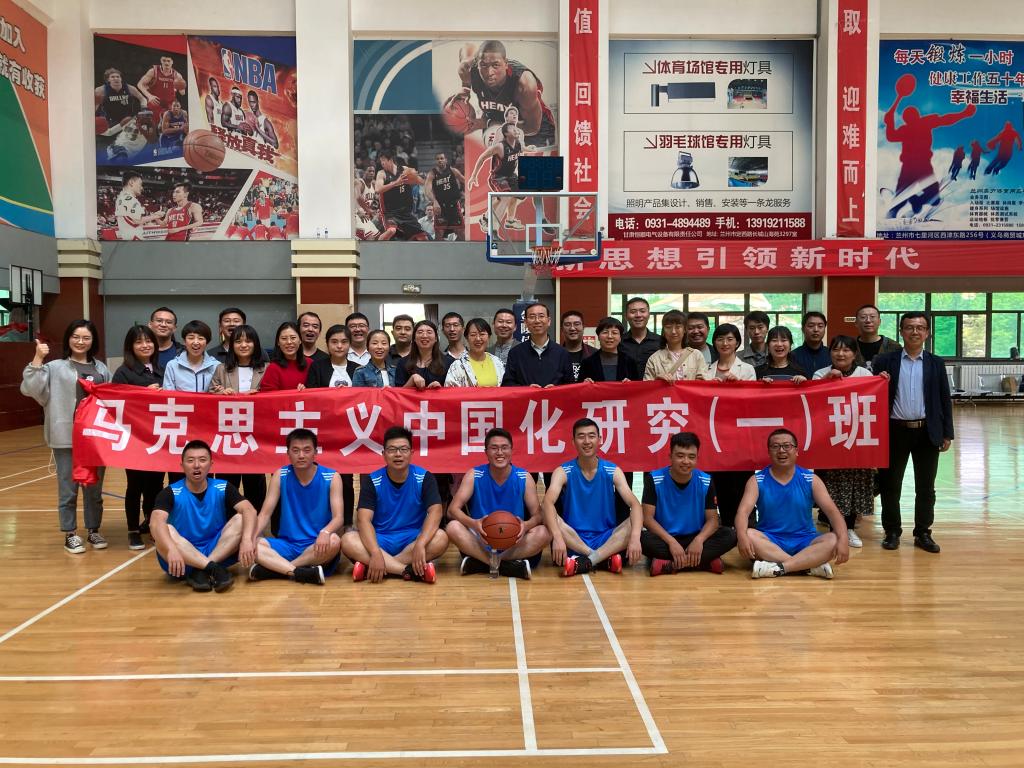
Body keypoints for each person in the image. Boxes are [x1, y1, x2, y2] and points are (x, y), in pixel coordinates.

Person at [22, 320, 112, 554]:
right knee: (68, 489)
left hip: (95, 439)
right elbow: (31, 389)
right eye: (76, 337)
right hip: (66, 437)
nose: (80, 342)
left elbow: (112, 399)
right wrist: (38, 359)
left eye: (86, 338)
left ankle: (93, 529)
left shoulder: (102, 369)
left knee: (94, 489)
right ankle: (70, 534)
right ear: (68, 339)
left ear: (93, 341)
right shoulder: (55, 367)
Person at [872, 312, 954, 553]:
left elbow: (944, 399)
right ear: (901, 331)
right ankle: (892, 531)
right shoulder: (884, 361)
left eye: (920, 328)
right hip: (894, 431)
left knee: (926, 487)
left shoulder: (936, 363)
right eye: (909, 327)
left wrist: (947, 433)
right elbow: (873, 395)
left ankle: (923, 532)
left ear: (927, 333)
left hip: (927, 432)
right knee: (890, 485)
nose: (915, 332)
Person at [735, 429, 850, 579]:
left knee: (833, 539)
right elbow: (743, 512)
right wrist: (741, 537)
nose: (781, 450)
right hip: (771, 541)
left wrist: (844, 540)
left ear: (796, 451)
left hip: (805, 540)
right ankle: (807, 565)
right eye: (775, 446)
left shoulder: (811, 479)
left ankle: (780, 568)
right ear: (768, 452)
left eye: (787, 446)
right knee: (749, 534)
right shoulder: (757, 480)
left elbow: (833, 513)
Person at [342, 426, 450, 583]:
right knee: (348, 540)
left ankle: (376, 568)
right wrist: (375, 552)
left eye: (403, 449)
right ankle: (405, 571)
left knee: (441, 538)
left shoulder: (424, 477)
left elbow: (436, 511)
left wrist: (421, 543)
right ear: (383, 454)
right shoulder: (372, 480)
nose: (398, 454)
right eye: (392, 450)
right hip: (380, 539)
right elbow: (363, 520)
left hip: (412, 539)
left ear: (411, 453)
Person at [150, 440, 256, 593]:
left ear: (211, 464)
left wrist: (246, 540)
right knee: (166, 529)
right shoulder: (170, 492)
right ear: (182, 465)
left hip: (217, 551)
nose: (196, 465)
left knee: (241, 519)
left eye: (202, 460)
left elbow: (249, 510)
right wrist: (171, 549)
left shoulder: (222, 487)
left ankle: (202, 569)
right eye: (190, 460)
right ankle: (213, 568)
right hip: (181, 556)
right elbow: (155, 523)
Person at [446, 428, 551, 579]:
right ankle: (506, 566)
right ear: (486, 452)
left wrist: (526, 525)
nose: (499, 452)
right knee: (452, 527)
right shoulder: (474, 475)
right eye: (494, 448)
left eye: (504, 447)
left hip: (514, 541)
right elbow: (452, 510)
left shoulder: (523, 476)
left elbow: (538, 515)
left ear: (511, 451)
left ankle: (486, 563)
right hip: (481, 539)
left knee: (545, 532)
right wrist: (473, 523)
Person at [543, 418, 643, 576]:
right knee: (548, 515)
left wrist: (636, 538)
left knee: (634, 523)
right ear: (573, 441)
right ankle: (600, 559)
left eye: (591, 436)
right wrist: (557, 537)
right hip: (573, 539)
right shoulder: (563, 471)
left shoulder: (612, 470)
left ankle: (586, 561)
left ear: (600, 440)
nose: (587, 441)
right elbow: (547, 503)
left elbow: (635, 504)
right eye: (581, 436)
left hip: (606, 539)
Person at [249, 429, 343, 585]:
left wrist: (325, 532)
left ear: (315, 452)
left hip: (316, 545)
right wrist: (249, 539)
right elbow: (265, 514)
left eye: (307, 450)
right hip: (287, 544)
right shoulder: (280, 475)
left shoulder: (332, 477)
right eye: (295, 450)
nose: (301, 455)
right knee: (255, 544)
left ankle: (278, 569)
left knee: (334, 541)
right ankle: (300, 572)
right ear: (288, 453)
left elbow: (338, 518)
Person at [641, 432, 738, 575]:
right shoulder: (654, 479)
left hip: (695, 538)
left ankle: (671, 564)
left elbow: (712, 520)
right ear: (670, 456)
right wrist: (671, 542)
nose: (686, 461)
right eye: (680, 456)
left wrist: (699, 540)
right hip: (665, 539)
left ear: (697, 458)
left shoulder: (706, 481)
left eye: (691, 457)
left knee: (730, 535)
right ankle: (703, 562)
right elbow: (647, 519)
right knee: (639, 538)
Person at [812, 335, 875, 548]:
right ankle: (835, 530)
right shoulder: (820, 373)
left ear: (854, 354)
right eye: (836, 350)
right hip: (830, 438)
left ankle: (848, 528)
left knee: (855, 483)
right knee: (832, 485)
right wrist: (827, 380)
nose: (841, 354)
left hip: (857, 437)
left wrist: (882, 380)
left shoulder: (864, 374)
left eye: (846, 350)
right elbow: (812, 400)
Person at [883, 77, 974, 218]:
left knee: (919, 198)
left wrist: (889, 123)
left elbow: (891, 136)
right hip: (915, 166)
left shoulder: (911, 127)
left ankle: (913, 201)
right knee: (928, 198)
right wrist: (964, 114)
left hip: (917, 166)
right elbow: (945, 119)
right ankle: (910, 203)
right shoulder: (920, 124)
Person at [698, 323, 756, 529]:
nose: (725, 343)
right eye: (720, 339)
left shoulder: (747, 369)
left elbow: (753, 402)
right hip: (714, 434)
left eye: (730, 339)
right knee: (719, 481)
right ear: (714, 342)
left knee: (742, 479)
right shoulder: (706, 370)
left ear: (737, 342)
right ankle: (725, 524)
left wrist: (738, 384)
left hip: (740, 434)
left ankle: (746, 525)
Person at [112, 325, 164, 550]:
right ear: (130, 347)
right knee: (135, 485)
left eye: (149, 341)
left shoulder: (162, 370)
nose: (145, 345)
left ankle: (151, 524)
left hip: (159, 438)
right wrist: (142, 394)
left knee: (155, 485)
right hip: (134, 439)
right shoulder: (123, 372)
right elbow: (115, 402)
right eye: (139, 342)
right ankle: (133, 529)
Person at [208, 325, 269, 512]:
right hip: (229, 435)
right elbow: (209, 396)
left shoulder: (267, 368)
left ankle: (255, 521)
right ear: (231, 345)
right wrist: (221, 393)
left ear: (255, 344)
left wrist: (259, 394)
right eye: (238, 341)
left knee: (255, 482)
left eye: (248, 341)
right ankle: (227, 521)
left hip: (255, 435)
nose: (243, 345)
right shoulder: (221, 369)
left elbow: (274, 395)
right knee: (227, 481)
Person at [456, 40, 556, 148]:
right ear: (477, 65)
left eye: (495, 65)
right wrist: (465, 90)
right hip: (496, 122)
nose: (489, 73)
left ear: (506, 64)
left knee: (530, 160)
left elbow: (532, 128)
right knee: (496, 155)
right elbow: (465, 62)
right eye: (484, 65)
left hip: (533, 132)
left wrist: (488, 123)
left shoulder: (524, 84)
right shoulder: (468, 70)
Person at [501, 302, 573, 387]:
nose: (537, 320)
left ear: (549, 321)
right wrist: (526, 389)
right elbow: (507, 384)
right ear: (525, 322)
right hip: (527, 396)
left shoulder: (562, 353)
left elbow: (570, 386)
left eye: (541, 316)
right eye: (532, 317)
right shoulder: (515, 353)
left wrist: (556, 390)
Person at [376, 149, 428, 241]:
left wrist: (419, 179)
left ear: (390, 159)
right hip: (390, 213)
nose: (382, 163)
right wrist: (396, 183)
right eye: (381, 161)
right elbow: (378, 190)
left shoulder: (405, 170)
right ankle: (376, 248)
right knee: (391, 231)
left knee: (423, 238)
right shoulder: (381, 174)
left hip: (406, 213)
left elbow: (422, 182)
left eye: (383, 160)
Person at [643, 310, 704, 382]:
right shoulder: (654, 359)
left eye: (678, 327)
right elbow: (646, 386)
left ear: (685, 329)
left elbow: (704, 385)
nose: (673, 331)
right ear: (663, 330)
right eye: (668, 327)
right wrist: (657, 381)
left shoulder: (696, 355)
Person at [445, 318, 505, 387]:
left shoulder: (498, 362)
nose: (478, 339)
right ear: (467, 338)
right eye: (473, 335)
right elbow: (450, 391)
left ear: (489, 337)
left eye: (482, 334)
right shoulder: (458, 365)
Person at [162, 320, 219, 393]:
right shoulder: (172, 365)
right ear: (184, 341)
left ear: (207, 342)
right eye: (191, 338)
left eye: (200, 338)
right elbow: (168, 395)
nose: (196, 342)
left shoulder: (216, 366)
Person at [581, 317, 640, 382]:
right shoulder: (587, 363)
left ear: (620, 338)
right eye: (605, 332)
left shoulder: (630, 362)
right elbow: (579, 386)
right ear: (598, 337)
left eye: (614, 333)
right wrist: (585, 383)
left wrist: (631, 384)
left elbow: (638, 386)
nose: (609, 336)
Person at [395, 320, 451, 389]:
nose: (424, 336)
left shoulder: (449, 363)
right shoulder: (402, 363)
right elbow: (397, 393)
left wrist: (440, 389)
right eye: (420, 332)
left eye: (429, 332)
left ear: (436, 338)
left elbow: (454, 391)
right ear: (414, 338)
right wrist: (411, 381)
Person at [424, 152, 465, 241]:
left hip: (454, 206)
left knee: (461, 232)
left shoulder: (453, 171)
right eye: (438, 159)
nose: (440, 160)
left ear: (446, 160)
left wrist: (467, 194)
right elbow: (427, 190)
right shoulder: (432, 174)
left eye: (442, 158)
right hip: (441, 207)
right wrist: (435, 202)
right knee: (439, 234)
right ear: (435, 161)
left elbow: (465, 180)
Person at [136, 54, 186, 126]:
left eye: (168, 61)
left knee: (173, 121)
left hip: (170, 102)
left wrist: (181, 86)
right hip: (155, 100)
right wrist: (149, 96)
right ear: (161, 61)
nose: (166, 63)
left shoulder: (177, 75)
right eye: (164, 60)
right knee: (155, 121)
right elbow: (140, 84)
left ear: (172, 62)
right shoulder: (153, 71)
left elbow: (182, 93)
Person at [260, 322, 309, 392]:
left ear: (300, 340)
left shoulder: (310, 364)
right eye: (284, 338)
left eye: (293, 338)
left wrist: (307, 390)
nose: (289, 342)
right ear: (278, 342)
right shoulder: (273, 368)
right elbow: (268, 395)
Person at [307, 324, 360, 388]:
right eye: (334, 342)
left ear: (350, 344)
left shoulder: (358, 369)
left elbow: (363, 391)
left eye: (344, 342)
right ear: (327, 344)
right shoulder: (317, 367)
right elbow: (312, 392)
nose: (339, 346)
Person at [116, 171, 163, 241]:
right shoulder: (130, 199)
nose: (141, 188)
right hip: (134, 239)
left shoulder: (121, 197)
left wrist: (153, 216)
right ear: (131, 182)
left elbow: (131, 220)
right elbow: (137, 221)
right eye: (140, 184)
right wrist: (156, 216)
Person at [621, 297, 661, 374]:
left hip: (652, 382)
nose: (638, 315)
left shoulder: (660, 341)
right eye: (633, 312)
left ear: (648, 315)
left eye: (642, 311)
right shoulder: (619, 342)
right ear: (625, 316)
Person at [854, 304, 901, 368]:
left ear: (879, 322)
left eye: (872, 317)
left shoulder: (894, 346)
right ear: (856, 322)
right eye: (863, 317)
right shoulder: (849, 346)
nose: (868, 320)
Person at [560, 310, 596, 383]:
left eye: (577, 324)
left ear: (583, 327)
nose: (572, 328)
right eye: (567, 325)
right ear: (562, 330)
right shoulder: (554, 355)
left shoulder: (595, 355)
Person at [791, 311, 830, 376]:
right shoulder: (793, 356)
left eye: (820, 326)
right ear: (803, 329)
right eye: (811, 326)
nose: (816, 330)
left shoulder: (831, 355)